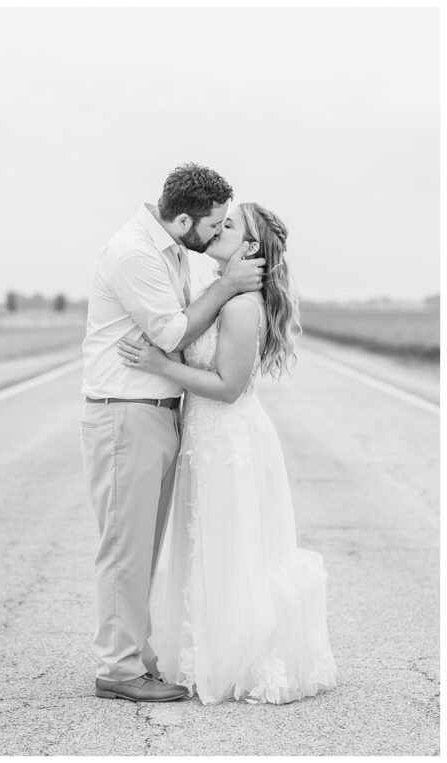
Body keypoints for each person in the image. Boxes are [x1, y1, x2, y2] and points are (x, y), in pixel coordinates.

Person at [119, 203, 338, 704]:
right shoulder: (218, 295)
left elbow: (228, 387)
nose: (218, 229)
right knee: (210, 545)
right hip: (206, 439)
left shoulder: (240, 306)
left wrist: (159, 364)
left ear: (250, 248)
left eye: (229, 225)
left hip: (229, 439)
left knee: (231, 544)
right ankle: (210, 647)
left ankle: (243, 656)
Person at [81, 163, 265, 703]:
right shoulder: (134, 253)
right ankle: (118, 668)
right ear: (183, 218)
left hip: (158, 411)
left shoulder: (172, 249)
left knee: (144, 547)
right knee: (125, 547)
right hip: (126, 412)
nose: (215, 233)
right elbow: (171, 331)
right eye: (213, 225)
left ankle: (137, 656)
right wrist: (229, 282)